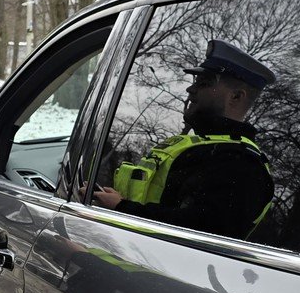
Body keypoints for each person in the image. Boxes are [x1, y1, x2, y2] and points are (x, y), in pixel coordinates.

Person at [93, 38, 276, 240]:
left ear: (236, 97)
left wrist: (121, 208)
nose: (191, 89)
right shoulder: (207, 149)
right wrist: (114, 202)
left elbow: (200, 234)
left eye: (204, 83)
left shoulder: (241, 164)